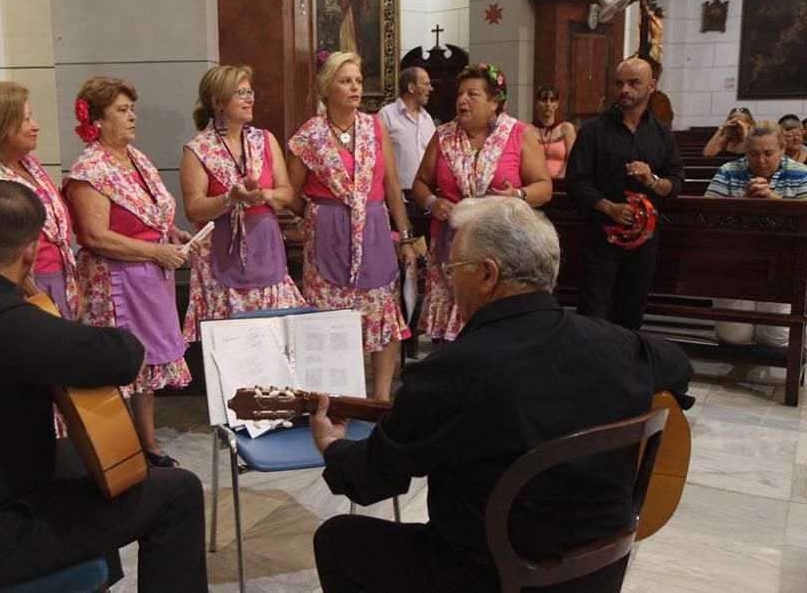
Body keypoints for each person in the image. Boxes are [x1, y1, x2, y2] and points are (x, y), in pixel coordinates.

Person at [309, 196, 693, 593]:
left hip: (488, 577)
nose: (448, 281)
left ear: (488, 275)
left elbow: (366, 481)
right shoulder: (621, 346)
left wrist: (332, 445)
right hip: (595, 573)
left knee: (338, 541)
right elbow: (679, 365)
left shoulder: (449, 374)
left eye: (453, 269)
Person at [0, 181, 207, 592]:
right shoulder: (3, 324)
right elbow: (124, 355)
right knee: (178, 493)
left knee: (91, 462)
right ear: (30, 252)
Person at [64, 76, 193, 468]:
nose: (133, 116)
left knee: (148, 364)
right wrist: (156, 250)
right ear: (98, 120)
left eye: (131, 108)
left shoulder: (135, 158)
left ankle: (148, 440)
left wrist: (171, 231)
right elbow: (94, 235)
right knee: (120, 363)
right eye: (122, 110)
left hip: (149, 276)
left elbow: (147, 212)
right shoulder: (89, 169)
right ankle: (117, 446)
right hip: (114, 281)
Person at [287, 51, 417, 401]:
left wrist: (405, 238)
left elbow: (391, 185)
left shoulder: (375, 126)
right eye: (346, 81)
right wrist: (317, 217)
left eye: (358, 81)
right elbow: (290, 192)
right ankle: (337, 401)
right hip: (328, 236)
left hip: (374, 230)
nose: (355, 87)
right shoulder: (308, 135)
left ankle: (380, 401)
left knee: (382, 317)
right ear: (326, 88)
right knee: (330, 321)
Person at [411, 63, 551, 342]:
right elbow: (419, 184)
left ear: (494, 102)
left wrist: (518, 195)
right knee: (451, 339)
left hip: (503, 247)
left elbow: (544, 188)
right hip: (452, 249)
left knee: (497, 329)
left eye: (472, 94)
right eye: (460, 93)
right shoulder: (443, 136)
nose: (462, 100)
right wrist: (432, 202)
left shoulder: (519, 134)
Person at [180, 65, 305, 339]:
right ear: (219, 102)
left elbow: (286, 192)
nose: (251, 98)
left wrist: (266, 195)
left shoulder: (264, 139)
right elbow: (194, 208)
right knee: (232, 340)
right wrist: (229, 199)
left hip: (265, 246)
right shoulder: (198, 149)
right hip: (220, 252)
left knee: (276, 335)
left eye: (251, 92)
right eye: (241, 93)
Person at [565, 58, 684, 331]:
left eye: (634, 83)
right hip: (600, 239)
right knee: (593, 314)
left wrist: (652, 180)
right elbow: (576, 182)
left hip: (644, 242)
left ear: (651, 86)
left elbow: (675, 182)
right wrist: (609, 208)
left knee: (631, 313)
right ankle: (592, 371)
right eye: (619, 83)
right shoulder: (593, 131)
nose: (625, 89)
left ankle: (625, 369)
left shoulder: (663, 134)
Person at [0, 81, 78, 320]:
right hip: (18, 293)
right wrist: (33, 295)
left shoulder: (30, 164)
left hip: (57, 281)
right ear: (1, 127)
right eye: (26, 120)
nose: (36, 126)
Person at [705, 122, 807, 345]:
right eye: (753, 154)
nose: (761, 161)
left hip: (785, 267)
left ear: (782, 149)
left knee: (775, 340)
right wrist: (743, 203)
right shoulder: (729, 171)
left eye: (769, 153)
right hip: (736, 263)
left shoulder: (801, 173)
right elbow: (705, 217)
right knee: (732, 338)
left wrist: (772, 200)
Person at [377, 67, 435, 192]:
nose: (431, 89)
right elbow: (377, 158)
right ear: (411, 87)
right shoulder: (386, 115)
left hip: (426, 194)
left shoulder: (427, 118)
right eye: (426, 84)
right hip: (398, 194)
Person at [531, 85, 577, 178]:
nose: (548, 104)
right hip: (536, 183)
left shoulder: (566, 128)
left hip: (561, 182)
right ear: (536, 104)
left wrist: (560, 177)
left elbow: (572, 159)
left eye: (552, 100)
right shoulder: (528, 130)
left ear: (557, 104)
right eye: (544, 100)